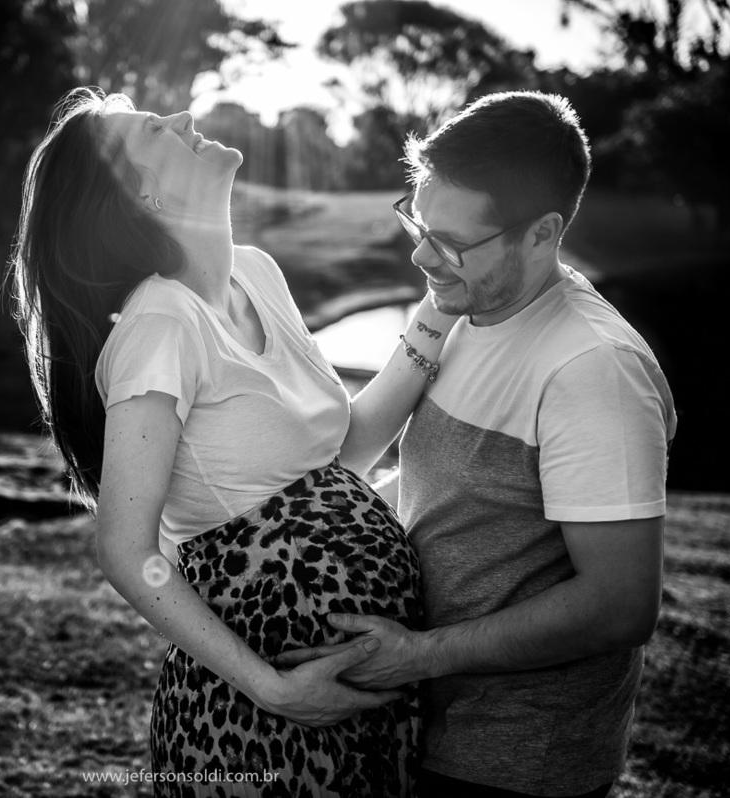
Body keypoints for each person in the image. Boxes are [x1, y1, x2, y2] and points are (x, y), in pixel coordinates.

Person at [7, 87, 458, 797]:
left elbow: (336, 456)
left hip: (356, 697)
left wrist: (438, 306)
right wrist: (273, 688)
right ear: (143, 193)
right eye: (156, 130)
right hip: (255, 719)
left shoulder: (258, 273)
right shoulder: (160, 325)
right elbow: (126, 551)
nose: (184, 118)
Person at [276, 91, 677, 798]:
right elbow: (375, 461)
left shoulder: (594, 371)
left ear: (543, 233)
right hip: (415, 727)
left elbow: (620, 604)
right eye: (417, 221)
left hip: (513, 762)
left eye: (451, 242)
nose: (420, 254)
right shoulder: (464, 302)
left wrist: (416, 656)